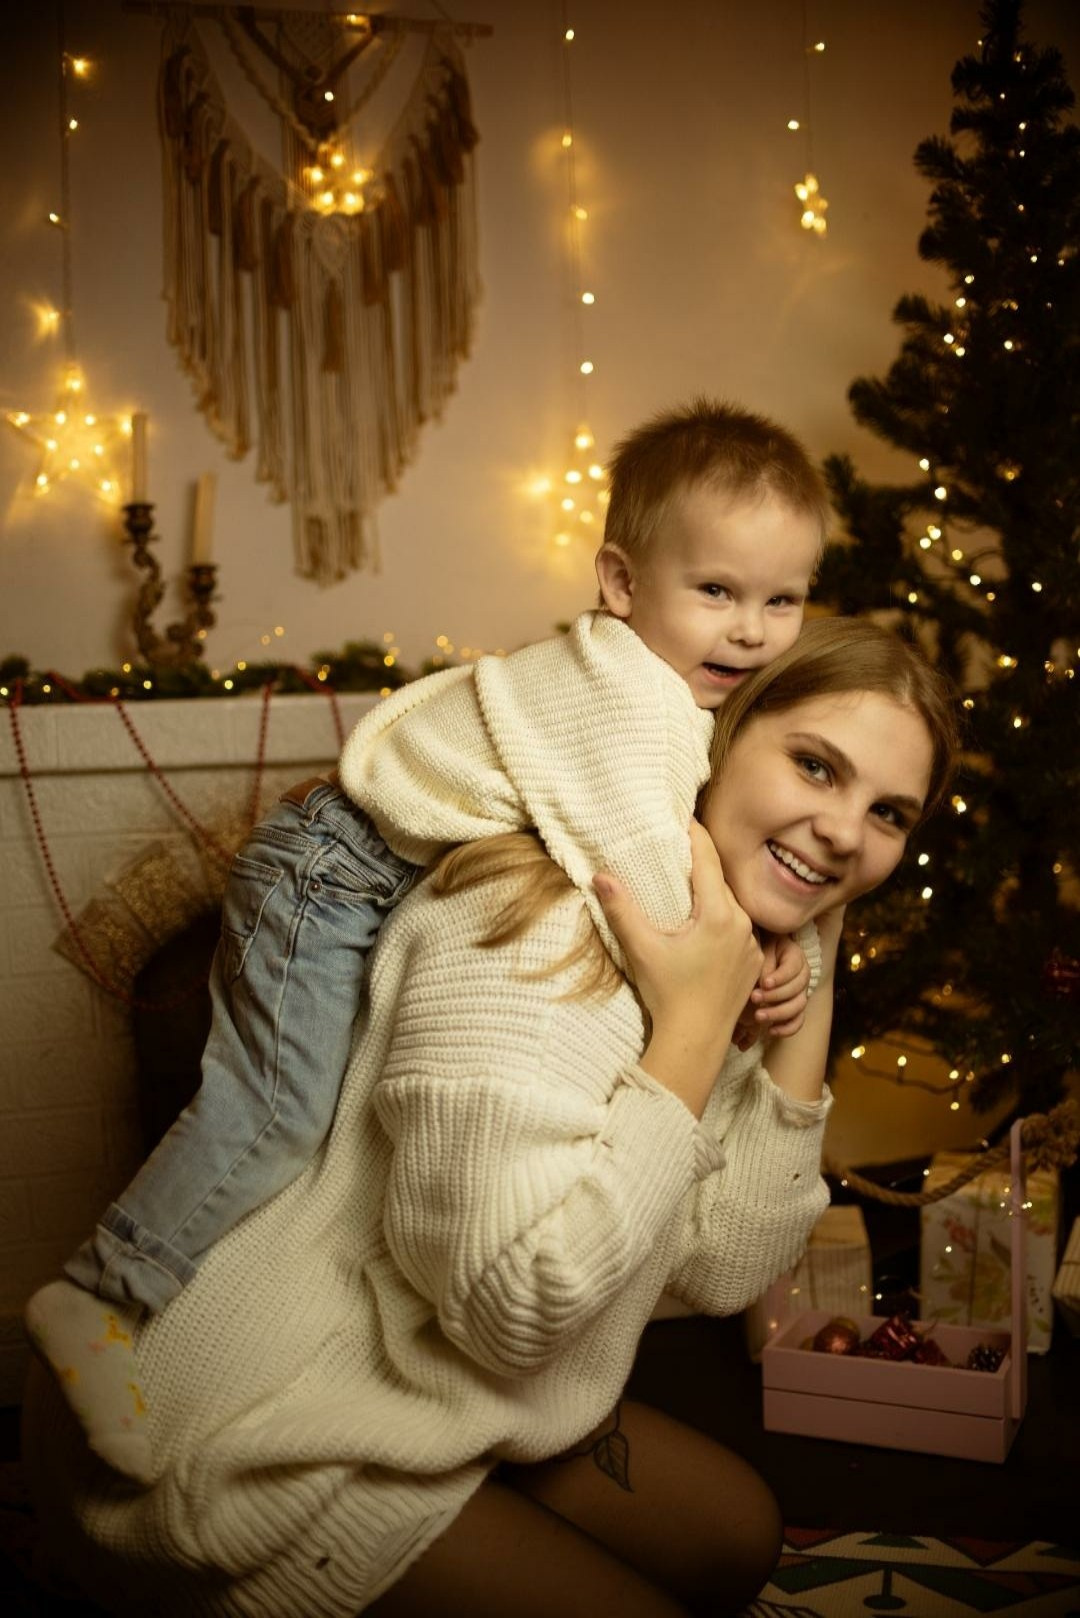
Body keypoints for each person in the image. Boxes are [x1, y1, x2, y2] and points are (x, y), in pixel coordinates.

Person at [24, 616, 959, 1618]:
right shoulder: (532, 917)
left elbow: (725, 1265)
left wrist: (816, 942)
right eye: (817, 767)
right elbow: (512, 1313)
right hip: (247, 1432)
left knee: (736, 1536)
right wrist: (688, 1029)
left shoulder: (729, 946)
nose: (847, 831)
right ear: (725, 733)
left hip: (451, 1393)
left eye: (889, 815)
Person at [26, 398, 829, 1481]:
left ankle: (189, 1325)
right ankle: (100, 1293)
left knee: (322, 1132)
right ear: (624, 583)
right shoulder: (626, 690)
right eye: (719, 591)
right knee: (278, 1116)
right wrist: (722, 975)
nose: (753, 629)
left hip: (364, 874)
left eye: (784, 599)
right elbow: (635, 867)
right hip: (330, 873)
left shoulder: (671, 690)